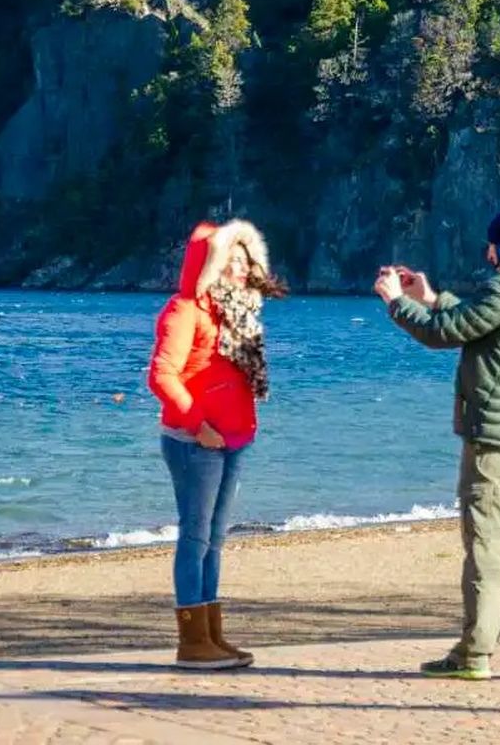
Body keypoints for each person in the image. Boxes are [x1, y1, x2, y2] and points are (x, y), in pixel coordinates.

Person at [374, 195, 500, 683]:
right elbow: (480, 325)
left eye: (492, 245)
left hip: (494, 446)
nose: (488, 254)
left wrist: (396, 302)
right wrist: (431, 296)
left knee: (484, 552)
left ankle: (475, 653)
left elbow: (445, 334)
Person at [148, 219, 285, 669]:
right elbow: (162, 376)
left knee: (215, 539)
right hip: (195, 441)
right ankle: (192, 643)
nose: (242, 270)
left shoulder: (238, 312)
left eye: (247, 261)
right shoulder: (185, 309)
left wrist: (244, 424)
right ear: (211, 265)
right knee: (195, 535)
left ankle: (212, 635)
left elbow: (234, 379)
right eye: (232, 261)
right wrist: (199, 424)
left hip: (233, 440)